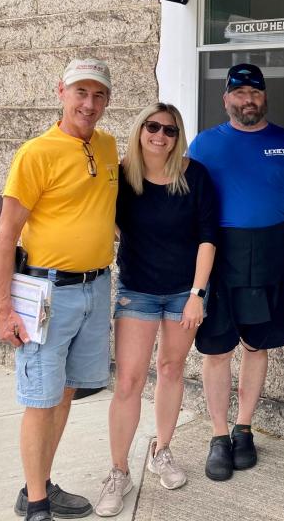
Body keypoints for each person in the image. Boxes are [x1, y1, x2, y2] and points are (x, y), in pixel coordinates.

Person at [0, 59, 117, 521]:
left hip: (95, 288)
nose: (89, 103)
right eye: (81, 92)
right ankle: (37, 505)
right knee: (40, 399)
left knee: (64, 393)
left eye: (99, 95)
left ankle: (37, 484)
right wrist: (5, 310)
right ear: (61, 91)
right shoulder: (35, 153)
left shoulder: (105, 145)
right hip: (47, 293)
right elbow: (6, 235)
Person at [189, 63, 284, 482]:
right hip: (219, 252)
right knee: (216, 349)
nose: (248, 100)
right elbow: (186, 205)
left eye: (255, 92)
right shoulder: (204, 145)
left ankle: (244, 428)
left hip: (271, 249)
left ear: (264, 97)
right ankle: (218, 435)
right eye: (239, 93)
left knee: (257, 343)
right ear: (225, 99)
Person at [94, 103, 217, 516]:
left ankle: (161, 450)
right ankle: (118, 471)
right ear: (141, 129)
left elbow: (207, 236)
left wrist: (197, 293)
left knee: (171, 369)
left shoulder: (193, 174)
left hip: (184, 291)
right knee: (128, 381)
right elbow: (98, 216)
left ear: (177, 134)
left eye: (169, 129)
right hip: (137, 291)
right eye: (153, 127)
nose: (160, 136)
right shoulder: (122, 174)